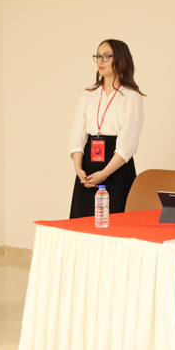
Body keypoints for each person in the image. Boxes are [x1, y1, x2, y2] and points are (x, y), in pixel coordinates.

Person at [69, 39, 144, 218]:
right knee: (82, 222)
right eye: (98, 56)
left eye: (106, 56)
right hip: (87, 168)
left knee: (116, 222)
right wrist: (78, 169)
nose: (100, 61)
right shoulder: (89, 93)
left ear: (121, 59)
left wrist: (104, 173)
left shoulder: (131, 96)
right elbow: (77, 134)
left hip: (116, 168)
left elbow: (128, 145)